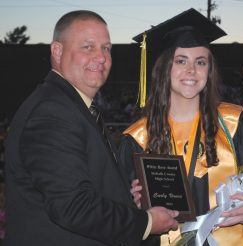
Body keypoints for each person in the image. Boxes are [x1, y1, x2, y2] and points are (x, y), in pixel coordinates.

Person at [118, 8, 243, 246]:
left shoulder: (234, 124)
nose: (191, 70)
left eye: (200, 62)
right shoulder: (137, 138)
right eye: (181, 60)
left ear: (209, 69)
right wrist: (136, 205)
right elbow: (118, 216)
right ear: (164, 69)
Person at [3, 10, 179, 246]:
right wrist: (146, 222)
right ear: (57, 51)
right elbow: (73, 206)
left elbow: (82, 184)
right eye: (88, 47)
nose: (101, 57)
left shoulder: (74, 107)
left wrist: (127, 199)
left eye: (106, 48)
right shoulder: (53, 113)